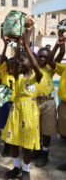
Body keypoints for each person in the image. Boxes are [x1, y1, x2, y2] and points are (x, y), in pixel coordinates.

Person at [1, 30, 43, 180]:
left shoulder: (36, 77)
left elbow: (35, 65)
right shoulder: (16, 75)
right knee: (13, 142)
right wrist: (19, 46)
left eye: (22, 62)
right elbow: (15, 61)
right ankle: (16, 167)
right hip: (16, 111)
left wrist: (26, 44)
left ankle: (26, 170)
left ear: (30, 63)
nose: (18, 63)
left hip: (29, 113)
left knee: (26, 145)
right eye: (18, 62)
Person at [34, 38, 64, 167]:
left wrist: (57, 45)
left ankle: (45, 153)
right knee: (36, 128)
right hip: (34, 103)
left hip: (48, 103)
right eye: (39, 56)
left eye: (44, 57)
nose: (41, 59)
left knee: (46, 129)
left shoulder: (50, 69)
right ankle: (38, 149)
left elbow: (56, 56)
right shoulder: (33, 68)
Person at [47, 35, 66, 171]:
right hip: (64, 105)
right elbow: (50, 61)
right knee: (64, 134)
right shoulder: (65, 68)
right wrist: (59, 45)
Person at [0, 39, 15, 157]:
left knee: (13, 125)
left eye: (14, 66)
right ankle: (6, 146)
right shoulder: (4, 73)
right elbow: (3, 59)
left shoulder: (19, 76)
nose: (11, 68)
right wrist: (5, 45)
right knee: (3, 125)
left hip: (14, 104)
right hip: (4, 103)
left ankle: (12, 145)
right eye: (10, 65)